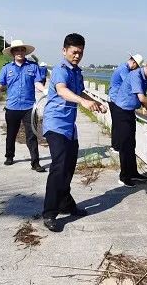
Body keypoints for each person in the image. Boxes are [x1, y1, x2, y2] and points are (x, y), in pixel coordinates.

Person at [41, 33, 107, 232]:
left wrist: (95, 102)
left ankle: (65, 203)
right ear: (64, 50)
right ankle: (50, 212)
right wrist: (83, 102)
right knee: (59, 167)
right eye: (74, 52)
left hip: (70, 126)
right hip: (55, 124)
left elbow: (79, 92)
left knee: (69, 166)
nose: (77, 56)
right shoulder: (61, 70)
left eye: (80, 52)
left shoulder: (77, 72)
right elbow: (62, 90)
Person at [0, 40, 47, 172]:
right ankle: (9, 156)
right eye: (17, 50)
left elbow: (37, 82)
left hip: (29, 107)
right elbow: (0, 84)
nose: (19, 52)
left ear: (25, 52)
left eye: (22, 50)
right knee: (11, 133)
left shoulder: (33, 67)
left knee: (31, 135)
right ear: (12, 52)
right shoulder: (6, 68)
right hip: (12, 107)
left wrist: (44, 90)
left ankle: (35, 162)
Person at [113, 57, 147, 187]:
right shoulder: (136, 75)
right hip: (122, 111)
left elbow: (139, 97)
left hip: (129, 112)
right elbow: (141, 97)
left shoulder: (144, 78)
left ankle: (133, 172)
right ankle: (124, 177)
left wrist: (146, 108)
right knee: (125, 145)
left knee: (131, 144)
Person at [108, 53, 145, 152]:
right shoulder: (124, 69)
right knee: (118, 124)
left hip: (115, 98)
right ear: (133, 62)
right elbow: (129, 83)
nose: (135, 69)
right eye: (136, 66)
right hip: (116, 99)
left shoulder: (124, 68)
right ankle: (117, 147)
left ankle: (115, 146)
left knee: (116, 124)